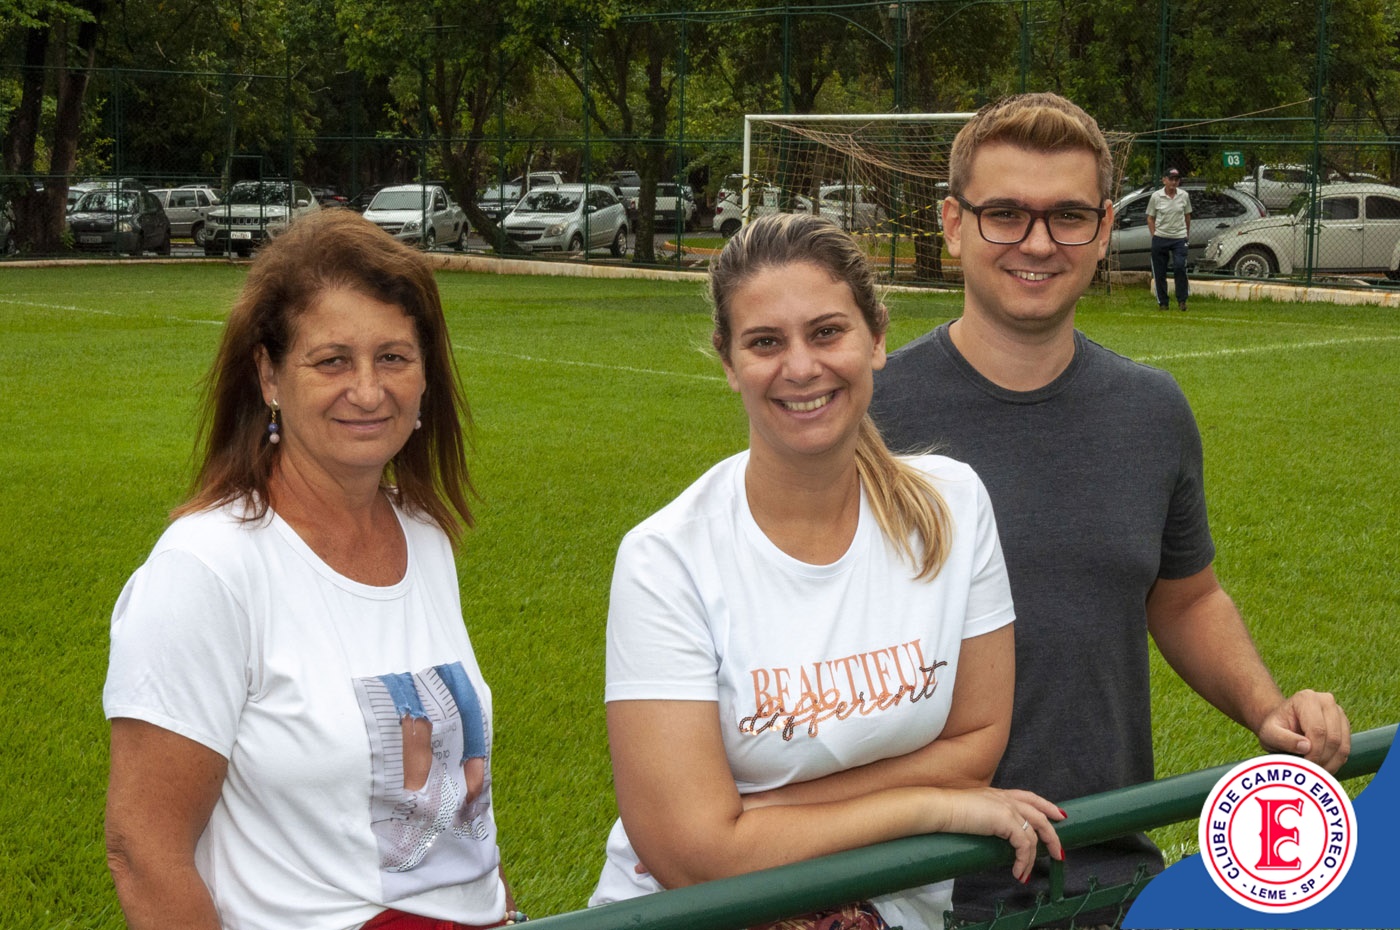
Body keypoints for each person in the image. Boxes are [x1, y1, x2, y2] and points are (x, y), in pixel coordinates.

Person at [869, 93, 1350, 926]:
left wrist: (1267, 708)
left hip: (1106, 872)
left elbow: (1185, 598)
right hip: (915, 888)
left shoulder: (1151, 410)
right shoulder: (869, 416)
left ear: (1101, 232)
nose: (1037, 243)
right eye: (1005, 214)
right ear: (953, 224)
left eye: (1068, 217)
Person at [588, 212, 1066, 930]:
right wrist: (928, 805)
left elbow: (975, 747)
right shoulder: (666, 559)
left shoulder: (953, 507)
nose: (801, 367)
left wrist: (752, 818)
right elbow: (693, 858)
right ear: (728, 362)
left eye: (826, 332)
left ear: (877, 339)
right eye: (765, 342)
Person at [103, 210, 523, 930]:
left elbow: (456, 804)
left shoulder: (423, 536)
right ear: (269, 375)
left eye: (393, 357)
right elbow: (143, 852)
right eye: (332, 361)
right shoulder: (206, 569)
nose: (368, 390)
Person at [1147, 167, 1192, 311]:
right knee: (1159, 271)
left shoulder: (1184, 196)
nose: (1173, 182)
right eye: (1171, 179)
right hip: (1161, 237)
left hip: (1179, 237)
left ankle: (1182, 300)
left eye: (1176, 179)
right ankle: (1163, 302)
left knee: (1179, 266)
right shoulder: (1156, 196)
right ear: (1164, 180)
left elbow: (1187, 216)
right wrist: (1154, 235)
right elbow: (1150, 218)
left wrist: (1186, 234)